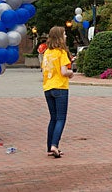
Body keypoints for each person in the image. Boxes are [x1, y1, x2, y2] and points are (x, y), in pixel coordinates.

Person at [41, 26, 74, 158]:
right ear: (60, 37)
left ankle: (49, 147)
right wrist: (71, 73)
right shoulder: (61, 53)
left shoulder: (47, 53)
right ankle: (55, 145)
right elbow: (64, 71)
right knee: (61, 118)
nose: (66, 37)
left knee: (53, 118)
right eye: (64, 34)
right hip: (60, 87)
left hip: (48, 87)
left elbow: (44, 70)